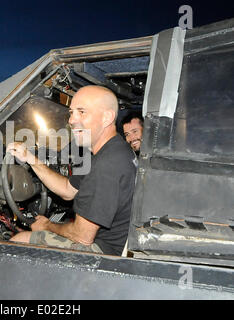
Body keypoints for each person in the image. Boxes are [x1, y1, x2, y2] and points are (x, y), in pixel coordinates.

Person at [7, 86, 137, 255]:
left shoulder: (106, 165)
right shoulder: (114, 149)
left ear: (107, 117)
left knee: (17, 241)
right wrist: (31, 159)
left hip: (104, 251)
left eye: (82, 112)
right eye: (71, 112)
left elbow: (83, 237)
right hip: (117, 242)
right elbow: (68, 190)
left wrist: (46, 226)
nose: (72, 120)